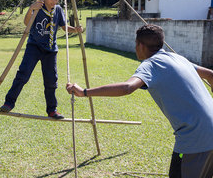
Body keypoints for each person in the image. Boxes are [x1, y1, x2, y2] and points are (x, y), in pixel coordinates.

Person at [66, 24, 213, 178]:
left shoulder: (151, 65)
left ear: (140, 45)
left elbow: (127, 87)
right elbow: (210, 74)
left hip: (194, 140)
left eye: (136, 44)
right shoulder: (177, 58)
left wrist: (84, 92)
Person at [0, 0, 83, 119]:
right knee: (23, 74)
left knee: (51, 81)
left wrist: (75, 30)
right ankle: (9, 102)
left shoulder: (58, 10)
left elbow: (63, 27)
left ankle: (52, 109)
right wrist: (31, 9)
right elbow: (27, 23)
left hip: (50, 50)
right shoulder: (38, 8)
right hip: (34, 46)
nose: (54, 1)